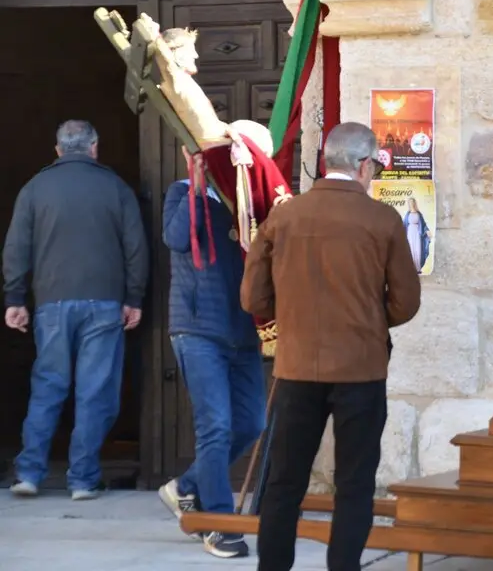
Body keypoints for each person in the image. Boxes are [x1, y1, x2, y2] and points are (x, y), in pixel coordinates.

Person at [240, 122, 421, 571]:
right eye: (375, 165)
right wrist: (369, 321)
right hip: (361, 369)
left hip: (297, 366)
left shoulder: (284, 216)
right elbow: (406, 301)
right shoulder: (382, 219)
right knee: (355, 484)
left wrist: (296, 319)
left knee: (284, 483)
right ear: (363, 165)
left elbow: (253, 299)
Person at [4, 120, 149, 500]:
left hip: (51, 302)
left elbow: (16, 249)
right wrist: (133, 298)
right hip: (104, 303)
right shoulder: (116, 187)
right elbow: (136, 248)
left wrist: (15, 299)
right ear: (94, 147)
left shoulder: (35, 188)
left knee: (48, 387)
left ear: (58, 150)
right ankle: (83, 479)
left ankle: (29, 474)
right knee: (95, 392)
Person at [156, 143, 268, 560]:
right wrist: (197, 186)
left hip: (243, 331)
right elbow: (176, 239)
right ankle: (218, 526)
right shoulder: (183, 191)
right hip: (198, 329)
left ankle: (186, 486)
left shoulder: (252, 206)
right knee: (216, 427)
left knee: (252, 422)